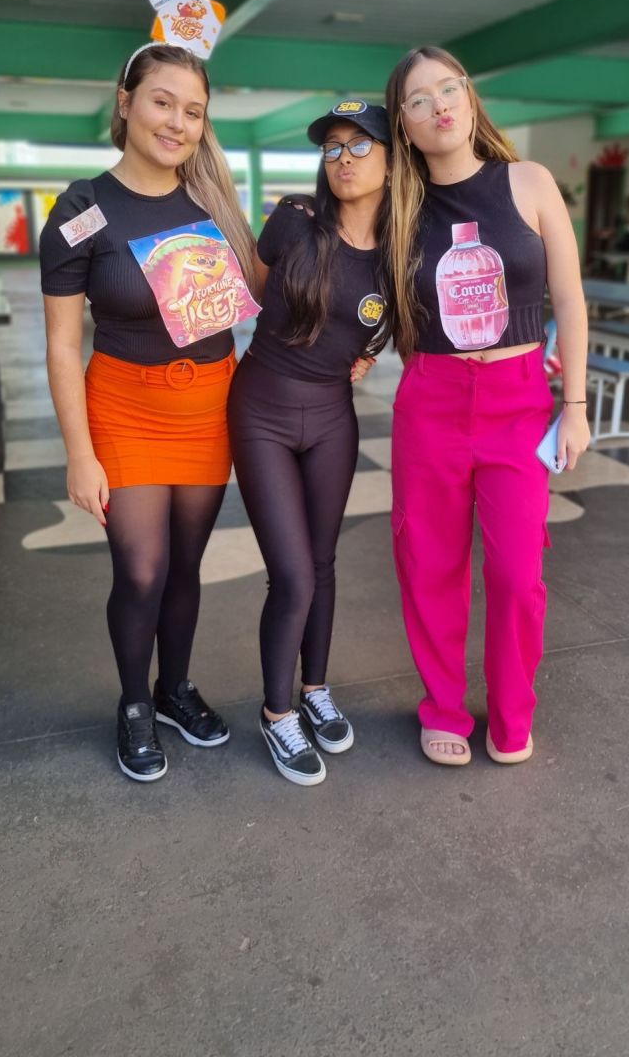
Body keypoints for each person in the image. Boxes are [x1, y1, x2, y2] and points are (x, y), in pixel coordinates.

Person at [40, 43, 256, 782]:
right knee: (141, 569)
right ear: (126, 101)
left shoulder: (213, 203)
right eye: (162, 101)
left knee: (186, 565)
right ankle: (134, 702)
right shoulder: (82, 210)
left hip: (209, 405)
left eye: (193, 111)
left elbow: (274, 291)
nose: (176, 122)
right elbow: (63, 344)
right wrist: (79, 452)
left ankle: (174, 689)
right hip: (124, 407)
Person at [385, 46, 590, 767]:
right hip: (431, 402)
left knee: (516, 573)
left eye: (449, 88)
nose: (439, 105)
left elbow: (568, 298)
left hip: (519, 403)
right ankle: (442, 707)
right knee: (429, 564)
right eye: (419, 99)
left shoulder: (528, 181)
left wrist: (574, 403)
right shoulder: (398, 205)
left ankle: (511, 711)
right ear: (403, 124)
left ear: (469, 96)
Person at [227, 101, 391, 786]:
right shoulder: (295, 218)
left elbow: (397, 320)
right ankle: (277, 714)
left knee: (321, 564)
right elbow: (252, 296)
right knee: (292, 574)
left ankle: (315, 689)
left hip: (331, 418)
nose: (344, 159)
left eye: (360, 145)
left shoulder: (401, 249)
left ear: (392, 160)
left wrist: (370, 350)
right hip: (261, 409)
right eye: (333, 148)